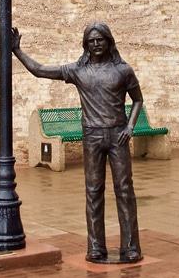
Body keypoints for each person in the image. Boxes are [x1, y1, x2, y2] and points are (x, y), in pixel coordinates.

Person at [12, 22, 144, 263]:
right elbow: (40, 70)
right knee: (93, 192)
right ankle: (95, 247)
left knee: (124, 191)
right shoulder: (78, 71)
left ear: (108, 41)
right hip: (92, 136)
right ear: (86, 44)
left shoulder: (123, 71)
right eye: (91, 41)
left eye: (100, 40)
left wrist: (130, 126)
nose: (95, 44)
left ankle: (131, 247)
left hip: (117, 135)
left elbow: (137, 100)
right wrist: (17, 51)